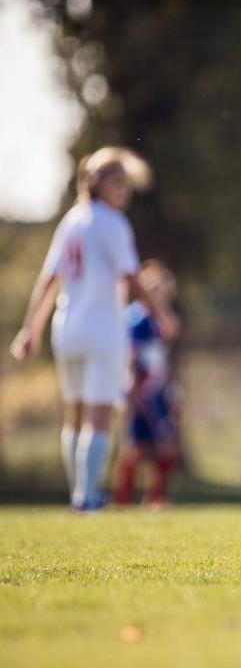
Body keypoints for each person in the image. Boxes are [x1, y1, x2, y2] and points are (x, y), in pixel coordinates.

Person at [10, 147, 176, 512]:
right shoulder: (112, 222)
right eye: (117, 182)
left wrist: (31, 328)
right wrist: (163, 313)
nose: (124, 190)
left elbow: (50, 279)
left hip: (67, 328)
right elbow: (132, 276)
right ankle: (87, 499)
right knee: (98, 415)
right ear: (95, 182)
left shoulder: (72, 220)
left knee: (75, 413)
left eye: (126, 183)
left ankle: (78, 494)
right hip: (103, 329)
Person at [113, 260, 181, 508]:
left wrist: (172, 391)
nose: (158, 293)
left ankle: (155, 497)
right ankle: (123, 498)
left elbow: (171, 333)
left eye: (161, 288)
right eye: (152, 288)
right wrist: (130, 391)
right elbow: (132, 356)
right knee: (136, 448)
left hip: (158, 390)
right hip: (140, 391)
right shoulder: (135, 317)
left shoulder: (160, 319)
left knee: (166, 446)